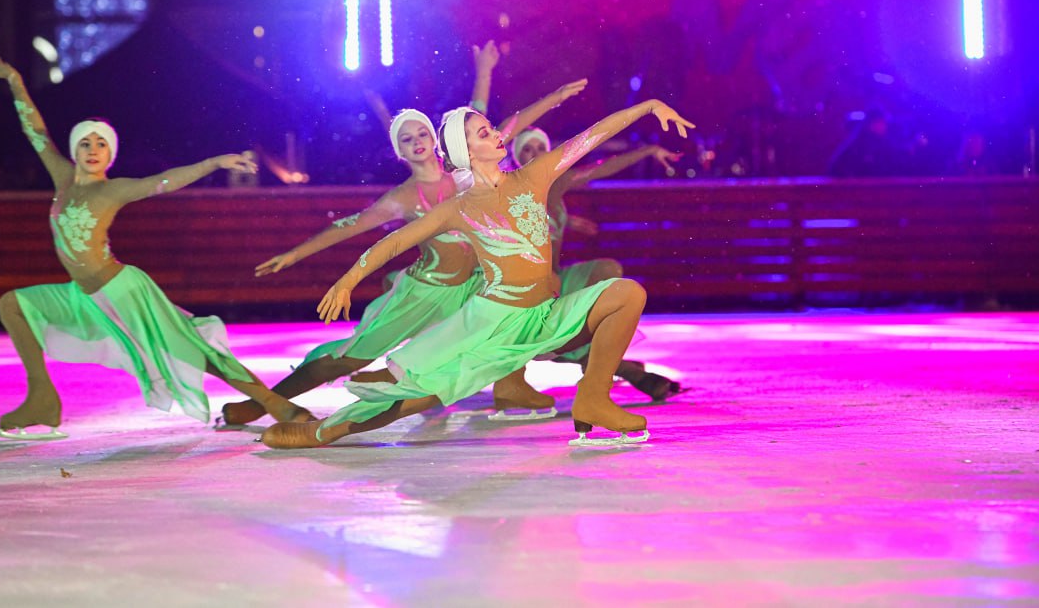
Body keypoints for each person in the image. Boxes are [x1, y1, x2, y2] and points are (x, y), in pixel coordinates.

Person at [261, 97, 695, 450]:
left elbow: (589, 138)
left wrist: (648, 106)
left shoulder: (533, 177)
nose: (497, 134)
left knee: (625, 293)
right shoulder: (461, 207)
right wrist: (347, 279)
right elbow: (394, 242)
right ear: (466, 152)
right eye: (484, 132)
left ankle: (594, 398)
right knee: (423, 396)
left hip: (542, 313)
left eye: (491, 127)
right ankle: (326, 431)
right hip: (492, 324)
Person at [227, 47, 588, 425]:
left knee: (509, 317)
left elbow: (501, 121)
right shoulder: (400, 199)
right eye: (406, 139)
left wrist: (550, 96)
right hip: (422, 293)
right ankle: (262, 404)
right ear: (398, 152)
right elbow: (348, 226)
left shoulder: (465, 176)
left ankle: (512, 386)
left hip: (471, 289)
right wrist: (296, 254)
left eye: (422, 134)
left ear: (439, 141)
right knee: (350, 358)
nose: (416, 142)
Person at [0, 53, 312, 440]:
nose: (92, 150)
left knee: (192, 348)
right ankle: (42, 398)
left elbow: (165, 180)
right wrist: (16, 82)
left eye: (101, 144)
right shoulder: (63, 179)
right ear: (74, 150)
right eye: (85, 143)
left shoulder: (114, 188)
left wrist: (214, 163)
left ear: (110, 153)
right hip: (82, 297)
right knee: (13, 304)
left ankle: (278, 405)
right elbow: (36, 132)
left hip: (123, 292)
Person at [511, 128, 683, 401]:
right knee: (559, 329)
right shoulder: (508, 192)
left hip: (557, 281)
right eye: (526, 149)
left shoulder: (557, 183)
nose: (534, 155)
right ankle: (622, 369)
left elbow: (600, 168)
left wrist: (647, 151)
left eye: (539, 148)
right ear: (516, 157)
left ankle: (600, 357)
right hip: (528, 292)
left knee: (609, 272)